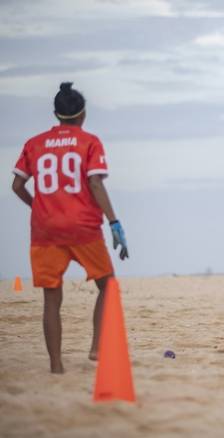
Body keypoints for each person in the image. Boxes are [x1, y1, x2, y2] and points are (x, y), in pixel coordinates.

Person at [11, 82, 129, 373]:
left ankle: (56, 366)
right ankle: (96, 347)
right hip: (83, 226)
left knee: (51, 297)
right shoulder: (89, 142)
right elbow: (95, 182)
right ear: (83, 114)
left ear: (56, 114)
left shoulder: (34, 144)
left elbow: (17, 185)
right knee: (108, 284)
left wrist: (39, 206)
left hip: (44, 229)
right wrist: (114, 221)